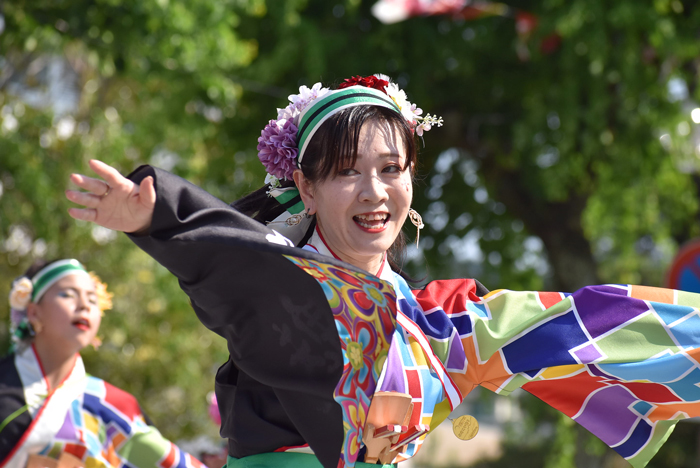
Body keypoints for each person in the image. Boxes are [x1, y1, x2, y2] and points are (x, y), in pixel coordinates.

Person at [65, 74, 700, 468]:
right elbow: (241, 273)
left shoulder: (437, 319)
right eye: (347, 172)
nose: (374, 192)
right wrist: (163, 220)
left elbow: (571, 327)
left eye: (391, 170)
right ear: (306, 189)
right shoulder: (288, 288)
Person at [0, 259, 206, 468]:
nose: (84, 306)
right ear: (34, 312)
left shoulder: (111, 403)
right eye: (68, 295)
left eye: (92, 299)